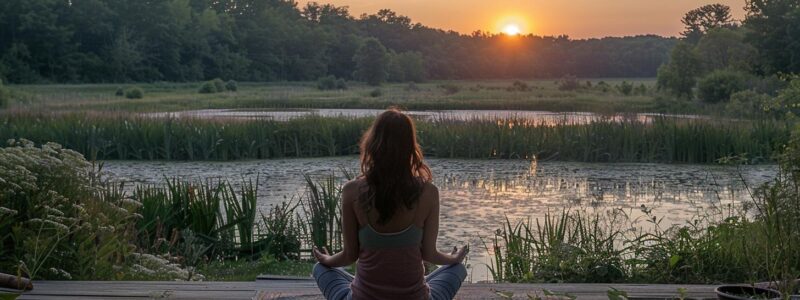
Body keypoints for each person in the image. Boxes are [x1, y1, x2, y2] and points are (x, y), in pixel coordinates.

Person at [312, 108, 469, 300]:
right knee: (457, 269)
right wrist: (453, 259)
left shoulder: (351, 191)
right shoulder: (429, 192)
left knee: (320, 268)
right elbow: (429, 254)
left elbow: (349, 256)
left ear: (373, 144)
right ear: (410, 147)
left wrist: (326, 259)